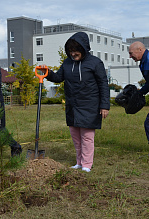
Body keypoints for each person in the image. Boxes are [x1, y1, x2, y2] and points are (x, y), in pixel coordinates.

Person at [44, 32, 110, 172]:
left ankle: (87, 164)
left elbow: (103, 84)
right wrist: (48, 73)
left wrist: (104, 105)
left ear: (84, 48)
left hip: (89, 104)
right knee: (75, 136)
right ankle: (79, 162)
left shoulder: (95, 63)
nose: (73, 54)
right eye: (70, 51)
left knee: (87, 137)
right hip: (72, 105)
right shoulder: (67, 63)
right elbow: (58, 77)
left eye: (75, 51)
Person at [129, 41, 149, 142]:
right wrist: (140, 93)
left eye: (131, 53)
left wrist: (140, 93)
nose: (130, 56)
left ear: (140, 50)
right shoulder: (143, 62)